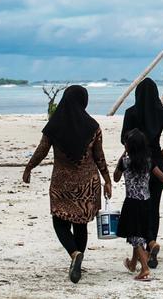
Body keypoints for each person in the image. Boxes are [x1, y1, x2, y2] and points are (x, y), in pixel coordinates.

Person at [22, 85, 111, 284]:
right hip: (88, 184)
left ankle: (74, 254)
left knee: (59, 222)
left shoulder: (55, 125)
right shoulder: (93, 126)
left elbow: (42, 150)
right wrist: (107, 179)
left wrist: (29, 167)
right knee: (80, 225)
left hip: (62, 183)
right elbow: (99, 156)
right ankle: (78, 256)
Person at [114, 129, 163, 281]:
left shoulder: (126, 161)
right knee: (140, 233)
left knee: (134, 236)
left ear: (129, 146)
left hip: (132, 202)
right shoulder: (148, 160)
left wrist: (122, 155)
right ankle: (134, 263)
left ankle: (145, 269)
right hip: (147, 202)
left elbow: (115, 177)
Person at [120, 78, 163, 268]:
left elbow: (123, 138)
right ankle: (151, 242)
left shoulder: (131, 112)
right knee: (152, 207)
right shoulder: (162, 113)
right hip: (157, 163)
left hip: (137, 162)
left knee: (138, 206)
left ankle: (145, 248)